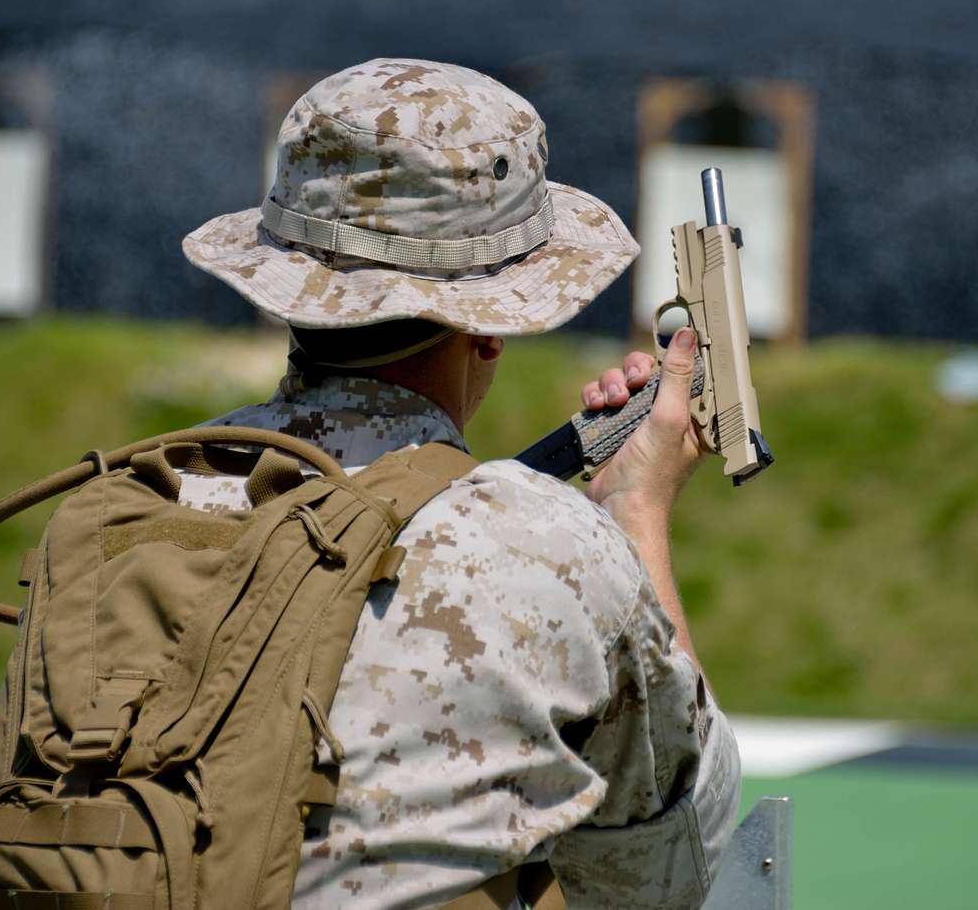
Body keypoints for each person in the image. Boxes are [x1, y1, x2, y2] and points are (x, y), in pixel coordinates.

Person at [180, 58, 741, 908]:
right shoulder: (553, 551)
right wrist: (635, 513)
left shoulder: (147, 497)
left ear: (289, 289)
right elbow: (678, 860)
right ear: (490, 326)